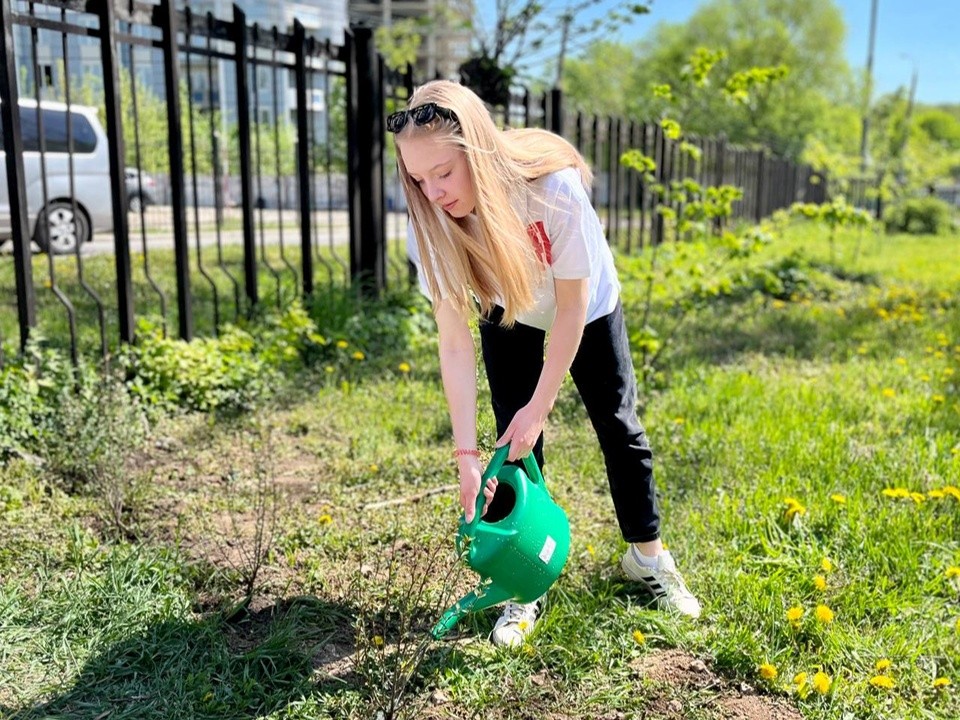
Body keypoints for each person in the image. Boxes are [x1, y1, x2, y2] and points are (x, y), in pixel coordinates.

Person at [388, 80, 701, 648]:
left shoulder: (551, 190)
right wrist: (465, 455)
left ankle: (648, 557)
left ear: (476, 152)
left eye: (444, 173)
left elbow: (573, 306)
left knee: (617, 423)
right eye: (418, 178)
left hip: (582, 307)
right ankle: (525, 583)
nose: (432, 192)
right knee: (514, 437)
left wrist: (544, 403)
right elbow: (454, 345)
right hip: (507, 306)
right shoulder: (427, 228)